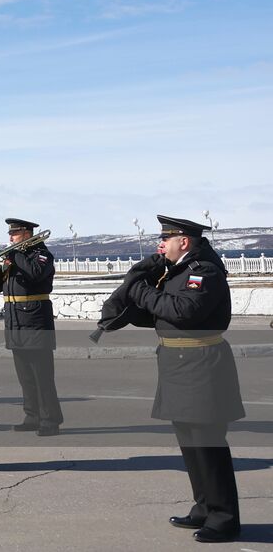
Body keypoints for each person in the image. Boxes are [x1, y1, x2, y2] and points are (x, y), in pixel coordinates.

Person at [123, 215, 244, 543]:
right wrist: (130, 307)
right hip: (178, 364)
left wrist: (142, 292)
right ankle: (204, 507)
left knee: (208, 443)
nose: (160, 245)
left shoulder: (204, 271)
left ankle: (225, 518)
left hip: (202, 365)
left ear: (184, 242)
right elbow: (163, 314)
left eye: (166, 239)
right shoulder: (177, 270)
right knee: (190, 443)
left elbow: (185, 312)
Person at [0, 217, 62, 436]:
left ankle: (50, 419)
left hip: (36, 320)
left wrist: (15, 254)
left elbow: (36, 273)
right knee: (25, 376)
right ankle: (32, 415)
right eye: (11, 233)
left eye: (15, 233)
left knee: (42, 375)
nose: (10, 237)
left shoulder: (42, 254)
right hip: (15, 321)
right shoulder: (16, 256)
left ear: (27, 234)